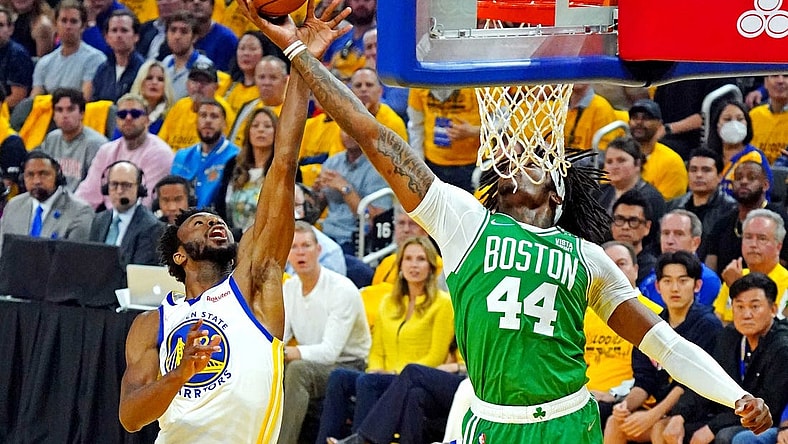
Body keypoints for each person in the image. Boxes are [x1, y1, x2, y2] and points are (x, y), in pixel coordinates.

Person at [241, 6, 774, 442]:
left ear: (560, 183)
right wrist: (299, 56)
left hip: (568, 421)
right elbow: (372, 135)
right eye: (513, 151)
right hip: (491, 423)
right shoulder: (465, 222)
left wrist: (736, 396)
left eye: (539, 150)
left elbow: (667, 346)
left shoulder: (586, 257)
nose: (524, 151)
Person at [116, 3, 331, 438]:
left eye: (216, 221)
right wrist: (180, 374)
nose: (215, 224)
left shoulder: (254, 279)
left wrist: (301, 59)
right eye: (198, 223)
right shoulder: (149, 325)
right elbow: (131, 417)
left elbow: (283, 163)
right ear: (179, 253)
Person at [317, 236, 455, 443]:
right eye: (408, 259)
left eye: (421, 259)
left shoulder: (442, 304)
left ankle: (359, 440)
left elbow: (435, 356)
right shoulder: (388, 303)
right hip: (383, 375)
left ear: (431, 266)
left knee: (368, 382)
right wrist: (376, 367)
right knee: (340, 377)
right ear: (400, 265)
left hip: (406, 377)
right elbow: (377, 349)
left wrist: (394, 373)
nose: (414, 265)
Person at [603, 251, 723, 444]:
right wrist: (624, 406)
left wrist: (654, 415)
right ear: (658, 286)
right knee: (615, 422)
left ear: (697, 285)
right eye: (667, 281)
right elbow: (644, 381)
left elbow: (691, 383)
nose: (675, 288)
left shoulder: (708, 325)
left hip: (696, 410)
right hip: (661, 410)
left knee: (661, 428)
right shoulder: (651, 323)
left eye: (683, 281)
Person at [654, 273, 788, 444]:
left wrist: (712, 427)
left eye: (755, 307)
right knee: (664, 426)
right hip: (731, 416)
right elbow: (707, 379)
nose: (746, 314)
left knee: (725, 436)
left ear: (773, 309)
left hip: (767, 422)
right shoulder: (729, 336)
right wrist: (679, 414)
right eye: (739, 307)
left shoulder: (782, 346)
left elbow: (769, 405)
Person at [279, 220, 371, 444]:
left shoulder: (342, 289)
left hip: (349, 365)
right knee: (267, 368)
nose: (300, 252)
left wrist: (285, 354)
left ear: (318, 250)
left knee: (297, 370)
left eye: (306, 246)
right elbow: (280, 337)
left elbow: (330, 352)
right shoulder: (289, 288)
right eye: (294, 247)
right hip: (315, 362)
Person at [75, 93, 174, 210]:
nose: (128, 118)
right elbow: (87, 195)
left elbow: (146, 203)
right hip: (108, 218)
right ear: (116, 121)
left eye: (135, 114)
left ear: (147, 120)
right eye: (122, 115)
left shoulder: (159, 153)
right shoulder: (106, 150)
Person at [312, 129, 392, 254]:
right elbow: (315, 212)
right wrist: (315, 193)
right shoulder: (332, 162)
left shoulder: (378, 169)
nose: (348, 134)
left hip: (354, 241)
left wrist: (346, 189)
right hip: (326, 236)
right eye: (344, 129)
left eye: (351, 128)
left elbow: (375, 219)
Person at [0, 151, 93, 254]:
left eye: (43, 174)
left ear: (57, 175)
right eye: (30, 175)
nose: (37, 181)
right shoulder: (14, 205)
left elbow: (74, 258)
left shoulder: (79, 211)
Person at [705, 161, 788, 274]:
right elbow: (710, 268)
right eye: (738, 178)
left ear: (765, 185)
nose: (743, 182)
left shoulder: (781, 220)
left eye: (751, 178)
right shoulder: (722, 222)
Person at [713, 209, 788, 323]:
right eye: (748, 237)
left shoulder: (786, 283)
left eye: (762, 238)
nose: (753, 244)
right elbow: (717, 324)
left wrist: (737, 289)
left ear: (778, 246)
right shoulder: (736, 275)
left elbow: (771, 331)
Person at [638, 210, 722, 308]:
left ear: (695, 243)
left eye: (679, 234)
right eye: (665, 233)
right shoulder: (650, 278)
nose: (669, 241)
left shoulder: (708, 280)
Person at [88, 161, 164, 268]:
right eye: (114, 184)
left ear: (139, 188)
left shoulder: (152, 227)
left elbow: (138, 272)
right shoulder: (100, 219)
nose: (119, 191)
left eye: (126, 185)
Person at [170, 98, 240, 210]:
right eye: (203, 115)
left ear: (224, 124)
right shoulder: (182, 156)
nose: (208, 121)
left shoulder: (236, 157)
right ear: (196, 122)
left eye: (214, 116)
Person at [667, 148, 736, 261]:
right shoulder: (673, 206)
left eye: (706, 170)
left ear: (720, 176)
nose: (698, 175)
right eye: (693, 170)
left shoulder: (731, 210)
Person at [407, 87, 480, 193]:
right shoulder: (419, 80)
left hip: (472, 164)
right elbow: (416, 126)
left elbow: (502, 124)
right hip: (433, 164)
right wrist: (419, 166)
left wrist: (473, 131)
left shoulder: (480, 80)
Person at [30, 0, 106, 101]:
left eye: (73, 21)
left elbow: (85, 99)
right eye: (64, 21)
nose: (68, 26)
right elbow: (34, 101)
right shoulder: (44, 63)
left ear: (83, 26)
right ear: (55, 25)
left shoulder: (95, 59)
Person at [37, 88, 108, 191]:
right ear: (54, 115)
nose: (65, 115)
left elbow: (96, 187)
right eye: (59, 110)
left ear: (82, 114)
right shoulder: (51, 139)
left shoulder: (96, 144)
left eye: (70, 109)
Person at [158, 60, 236, 151]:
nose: (199, 86)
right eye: (194, 81)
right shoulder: (180, 106)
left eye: (205, 82)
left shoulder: (223, 111)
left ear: (216, 87)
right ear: (187, 84)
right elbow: (161, 143)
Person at [707, 100, 773, 200]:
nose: (734, 124)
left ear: (747, 123)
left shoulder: (754, 156)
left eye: (740, 119)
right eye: (727, 119)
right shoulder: (709, 157)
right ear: (717, 125)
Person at [225, 107, 277, 232]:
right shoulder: (233, 164)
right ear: (248, 132)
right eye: (255, 125)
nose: (261, 130)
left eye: (267, 126)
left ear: (277, 132)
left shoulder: (286, 169)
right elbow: (221, 206)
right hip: (235, 238)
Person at [628, 99, 688, 201]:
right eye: (635, 118)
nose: (639, 122)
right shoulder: (619, 156)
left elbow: (664, 206)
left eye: (646, 118)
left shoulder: (671, 161)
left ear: (659, 124)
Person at [597, 135, 666, 219]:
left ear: (637, 163)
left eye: (621, 160)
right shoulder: (599, 192)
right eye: (609, 162)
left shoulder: (652, 198)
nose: (614, 166)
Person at [91, 10, 145, 103]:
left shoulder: (143, 69)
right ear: (107, 38)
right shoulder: (102, 70)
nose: (119, 35)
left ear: (136, 36)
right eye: (114, 30)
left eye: (124, 30)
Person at [160, 11, 213, 100]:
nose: (177, 36)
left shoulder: (205, 66)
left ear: (194, 37)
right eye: (173, 30)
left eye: (184, 32)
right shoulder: (166, 62)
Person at [611, 190, 660, 284]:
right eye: (619, 219)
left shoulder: (653, 269)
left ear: (647, 227)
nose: (625, 227)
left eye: (634, 221)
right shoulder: (599, 260)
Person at [564, 83, 622, 151]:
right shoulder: (559, 106)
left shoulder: (601, 107)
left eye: (582, 73)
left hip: (588, 160)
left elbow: (604, 152)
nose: (577, 78)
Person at [126, 60, 176, 136]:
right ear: (140, 82)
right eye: (149, 78)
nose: (154, 82)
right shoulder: (127, 113)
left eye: (160, 79)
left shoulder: (171, 117)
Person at [0, 6, 35, 110]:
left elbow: (17, 98)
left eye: (0, 25)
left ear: (11, 29)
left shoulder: (17, 54)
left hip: (10, 114)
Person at [224, 31, 267, 113]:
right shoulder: (228, 85)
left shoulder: (268, 88)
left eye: (252, 49)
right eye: (242, 48)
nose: (246, 53)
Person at [188, 0, 237, 72]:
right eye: (191, 0)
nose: (196, 2)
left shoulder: (227, 39)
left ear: (212, 6)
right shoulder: (176, 35)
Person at [750, 74, 788, 165]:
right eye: (774, 76)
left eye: (786, 76)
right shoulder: (753, 115)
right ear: (765, 82)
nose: (780, 81)